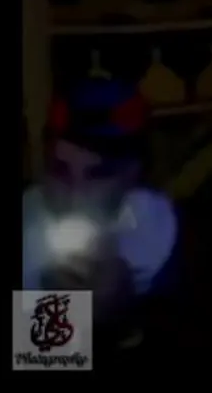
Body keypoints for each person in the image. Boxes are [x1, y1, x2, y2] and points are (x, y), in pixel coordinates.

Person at [21, 78, 179, 359]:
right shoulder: (28, 220)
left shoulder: (160, 231)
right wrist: (56, 310)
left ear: (134, 173)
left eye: (98, 175)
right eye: (60, 170)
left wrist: (123, 322)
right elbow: (42, 362)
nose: (75, 195)